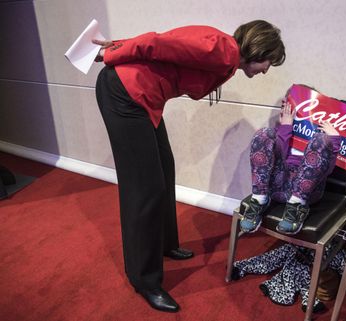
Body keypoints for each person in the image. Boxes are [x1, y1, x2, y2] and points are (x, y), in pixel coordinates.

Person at [93, 20, 285, 313]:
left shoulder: (225, 53)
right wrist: (111, 53)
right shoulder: (222, 50)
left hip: (145, 101)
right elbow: (155, 43)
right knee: (144, 190)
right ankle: (145, 280)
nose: (265, 71)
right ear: (260, 50)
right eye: (268, 63)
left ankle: (166, 244)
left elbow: (162, 43)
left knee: (164, 171)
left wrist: (117, 45)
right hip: (125, 95)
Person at [240, 99, 341, 234]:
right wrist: (286, 126)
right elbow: (277, 156)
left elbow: (327, 170)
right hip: (277, 187)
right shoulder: (286, 129)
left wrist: (334, 139)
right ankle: (259, 200)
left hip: (308, 192)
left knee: (321, 140)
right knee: (264, 133)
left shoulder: (321, 138)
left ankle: (296, 207)